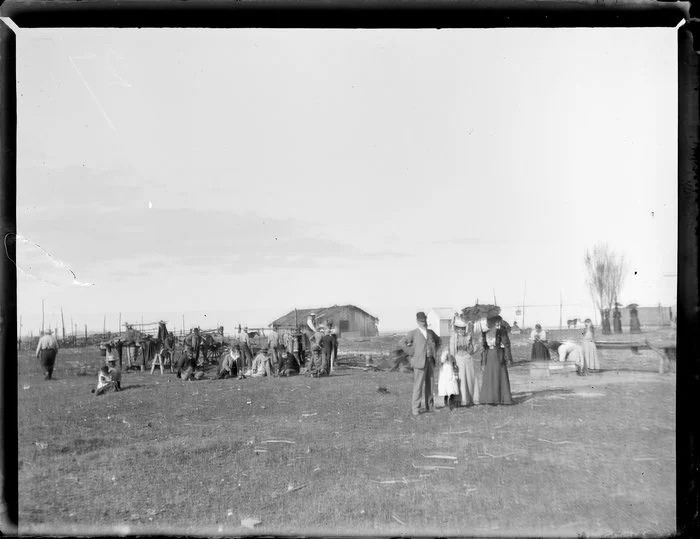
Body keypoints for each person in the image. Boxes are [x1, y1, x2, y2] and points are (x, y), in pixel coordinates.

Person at [401, 311, 440, 416]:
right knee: (418, 386)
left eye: (424, 320)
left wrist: (434, 351)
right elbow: (402, 343)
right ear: (417, 321)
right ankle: (416, 409)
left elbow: (438, 341)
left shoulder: (430, 332)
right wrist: (411, 352)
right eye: (421, 321)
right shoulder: (413, 333)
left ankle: (430, 407)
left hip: (430, 361)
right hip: (419, 363)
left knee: (430, 385)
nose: (423, 322)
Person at [478, 316, 514, 405]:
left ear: (494, 322)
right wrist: (482, 360)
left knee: (499, 376)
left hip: (498, 356)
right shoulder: (484, 332)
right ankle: (489, 399)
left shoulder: (501, 332)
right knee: (489, 376)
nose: (488, 323)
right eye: (487, 322)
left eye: (490, 322)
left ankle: (501, 399)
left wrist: (508, 358)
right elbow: (484, 347)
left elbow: (507, 345)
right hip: (489, 356)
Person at [449, 318, 480, 407]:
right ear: (456, 328)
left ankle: (471, 398)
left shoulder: (469, 336)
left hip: (468, 359)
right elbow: (452, 351)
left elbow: (476, 346)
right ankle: (462, 400)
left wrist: (472, 350)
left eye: (463, 328)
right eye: (459, 328)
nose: (461, 330)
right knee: (461, 379)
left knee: (470, 378)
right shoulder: (454, 337)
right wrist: (453, 361)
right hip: (458, 359)